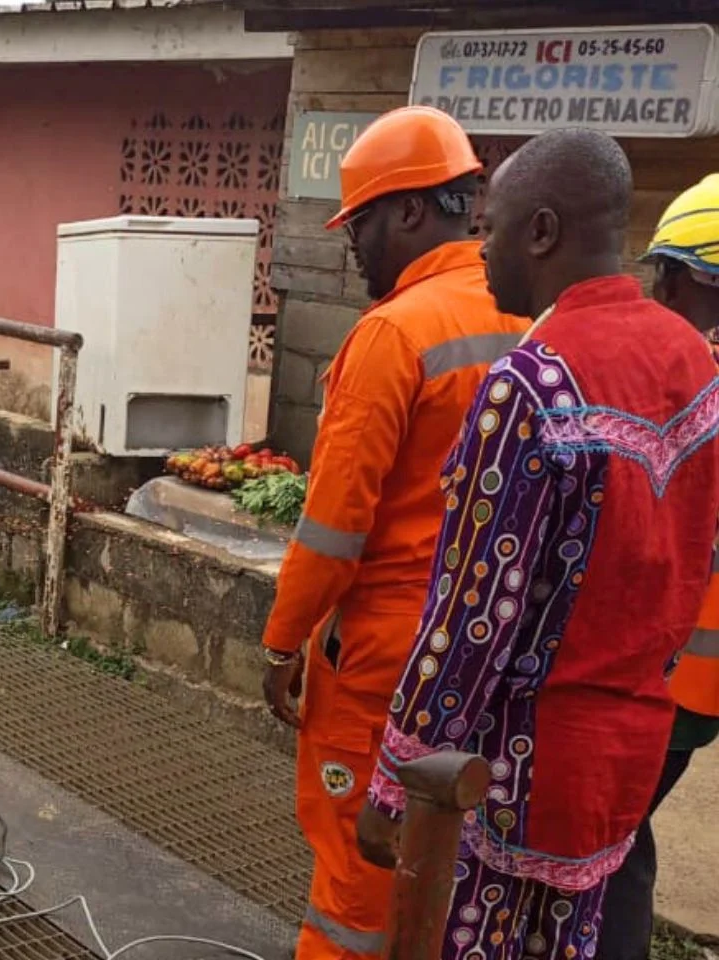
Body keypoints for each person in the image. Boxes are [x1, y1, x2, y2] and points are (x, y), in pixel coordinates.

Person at [357, 129, 719, 960]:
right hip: (624, 762)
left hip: (513, 780)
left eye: (493, 227)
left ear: (544, 232)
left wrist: (395, 780)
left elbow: (472, 619)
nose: (479, 249)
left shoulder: (530, 383)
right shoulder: (692, 362)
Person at [259, 105, 527, 960]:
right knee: (449, 881)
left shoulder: (393, 335)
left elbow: (334, 529)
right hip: (492, 662)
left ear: (412, 211)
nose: (353, 243)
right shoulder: (529, 316)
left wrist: (282, 641)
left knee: (356, 881)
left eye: (363, 221)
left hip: (383, 669)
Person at [594, 174, 719, 960]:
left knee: (612, 852)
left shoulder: (695, 384)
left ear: (687, 278)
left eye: (664, 274)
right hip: (693, 680)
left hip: (677, 675)